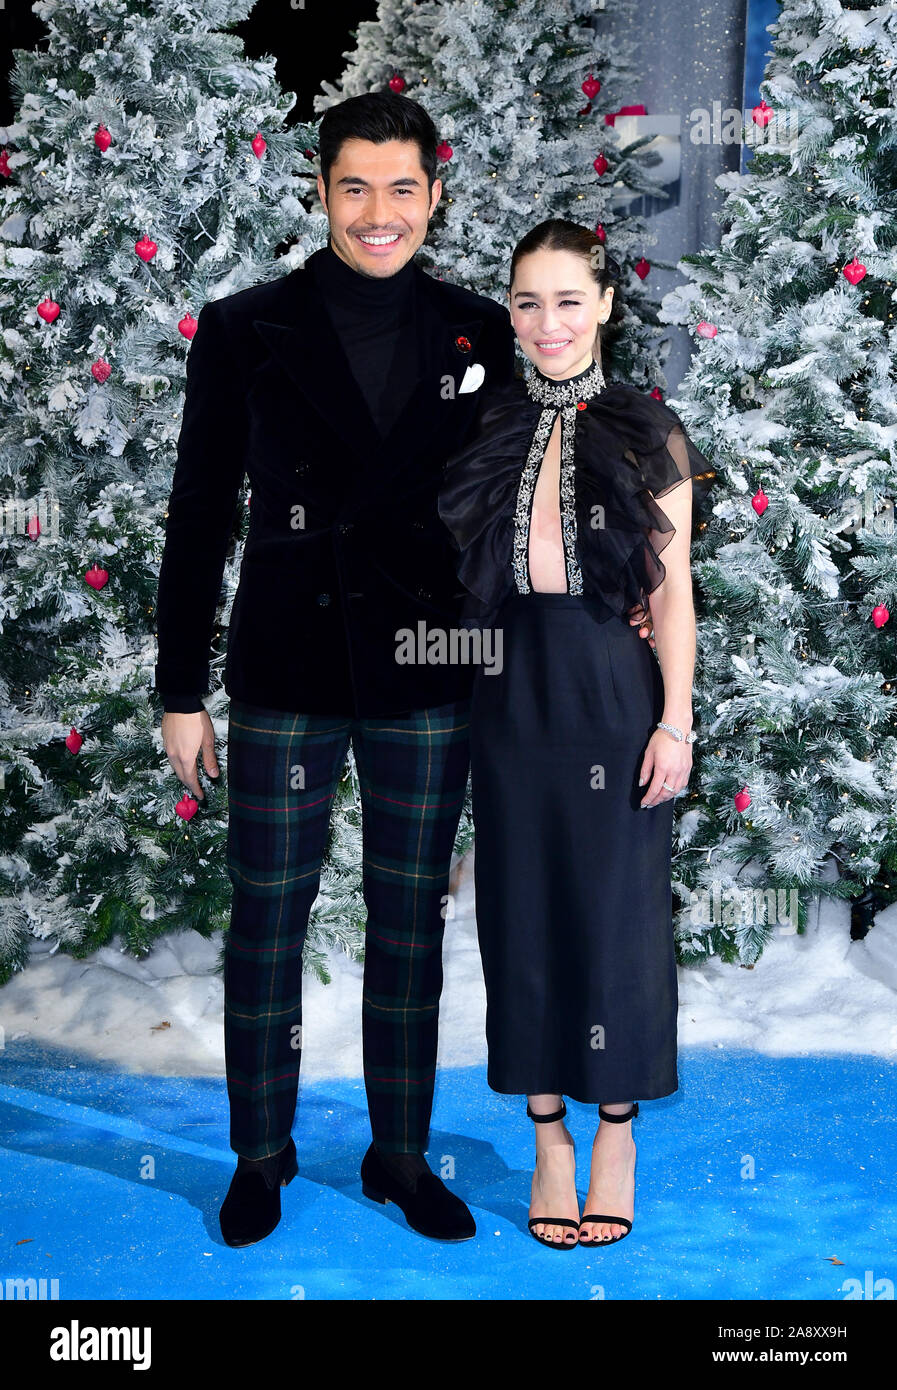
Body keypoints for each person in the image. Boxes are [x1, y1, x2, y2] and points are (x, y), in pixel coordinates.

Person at [438, 218, 712, 1249]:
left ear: (603, 304)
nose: (546, 323)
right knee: (522, 913)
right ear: (510, 313)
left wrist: (675, 721)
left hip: (612, 685)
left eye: (565, 300)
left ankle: (615, 1135)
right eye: (526, 302)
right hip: (510, 693)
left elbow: (675, 593)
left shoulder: (652, 432)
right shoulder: (486, 422)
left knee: (616, 917)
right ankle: (547, 1132)